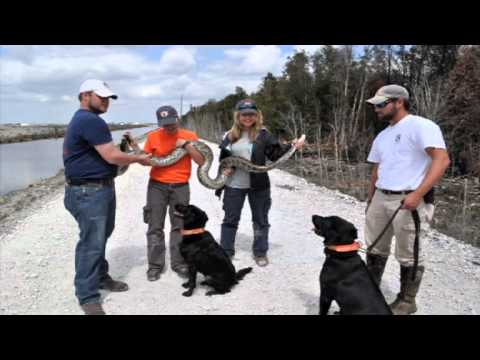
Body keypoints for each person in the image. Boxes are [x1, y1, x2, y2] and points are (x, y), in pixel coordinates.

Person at [63, 79, 152, 315]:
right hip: (88, 192)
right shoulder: (90, 120)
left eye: (108, 98)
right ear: (84, 95)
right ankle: (87, 296)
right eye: (100, 96)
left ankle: (101, 278)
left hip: (95, 189)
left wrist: (128, 155)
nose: (105, 101)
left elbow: (107, 157)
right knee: (91, 244)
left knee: (99, 238)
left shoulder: (86, 120)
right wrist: (138, 158)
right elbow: (112, 156)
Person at [364, 84, 450, 315]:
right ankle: (370, 292)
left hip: (408, 199)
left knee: (408, 251)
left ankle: (406, 301)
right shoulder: (383, 135)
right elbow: (377, 169)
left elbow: (441, 160)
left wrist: (418, 193)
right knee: (374, 247)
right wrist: (370, 200)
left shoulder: (421, 126)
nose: (377, 109)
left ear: (399, 102)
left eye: (381, 104)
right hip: (381, 197)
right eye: (376, 106)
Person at [217, 99, 305, 267]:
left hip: (259, 186)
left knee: (260, 220)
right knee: (230, 219)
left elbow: (275, 155)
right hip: (234, 185)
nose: (248, 117)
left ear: (257, 116)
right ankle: (226, 252)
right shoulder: (229, 136)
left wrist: (293, 146)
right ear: (238, 116)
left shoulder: (264, 135)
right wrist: (225, 170)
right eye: (244, 114)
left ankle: (260, 252)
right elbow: (223, 160)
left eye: (251, 114)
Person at [142, 105, 205, 282]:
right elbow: (144, 160)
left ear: (177, 118)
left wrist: (186, 145)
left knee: (179, 226)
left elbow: (201, 161)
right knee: (155, 226)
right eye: (165, 124)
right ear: (159, 123)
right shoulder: (153, 136)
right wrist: (139, 156)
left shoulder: (190, 136)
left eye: (171, 123)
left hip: (180, 187)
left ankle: (179, 263)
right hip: (157, 186)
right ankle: (155, 266)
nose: (169, 127)